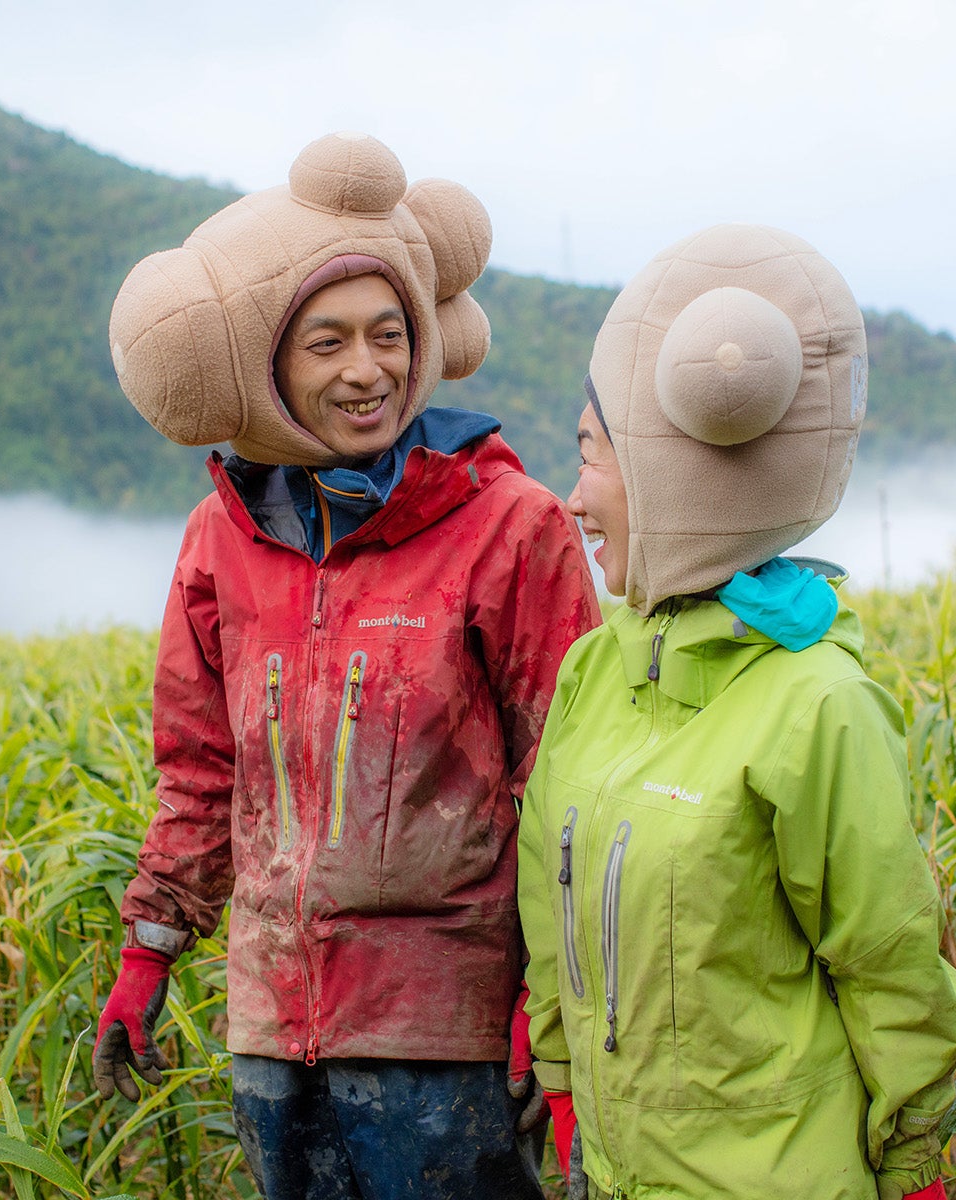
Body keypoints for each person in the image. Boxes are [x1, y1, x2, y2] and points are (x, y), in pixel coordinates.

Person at [92, 132, 601, 1199]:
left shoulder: (511, 525)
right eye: (325, 343)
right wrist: (147, 954)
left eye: (388, 334)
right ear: (266, 366)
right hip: (273, 1034)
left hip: (449, 1036)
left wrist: (545, 1007)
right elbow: (200, 774)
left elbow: (567, 788)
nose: (366, 370)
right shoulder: (221, 541)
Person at [517, 224, 956, 1200]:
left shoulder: (818, 702)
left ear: (668, 472)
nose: (575, 500)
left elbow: (889, 963)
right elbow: (548, 913)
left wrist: (916, 1170)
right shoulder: (596, 672)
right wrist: (564, 1097)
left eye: (592, 456)